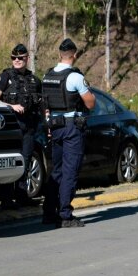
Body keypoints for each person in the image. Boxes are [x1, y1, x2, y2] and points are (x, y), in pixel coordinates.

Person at [40, 38, 95, 228]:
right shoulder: (75, 77)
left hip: (55, 127)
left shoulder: (47, 76)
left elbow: (45, 105)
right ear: (75, 55)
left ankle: (49, 212)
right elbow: (90, 103)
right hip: (72, 127)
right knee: (70, 171)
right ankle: (65, 215)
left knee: (56, 171)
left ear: (59, 54)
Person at [0, 43, 42, 209]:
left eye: (20, 58)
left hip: (29, 125)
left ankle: (22, 196)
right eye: (14, 58)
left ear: (27, 58)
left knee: (25, 161)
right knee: (11, 161)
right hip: (12, 125)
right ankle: (6, 200)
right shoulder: (6, 76)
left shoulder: (34, 79)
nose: (17, 60)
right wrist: (12, 107)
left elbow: (41, 102)